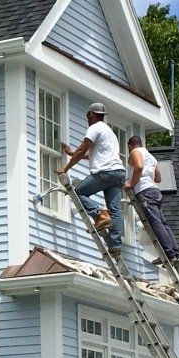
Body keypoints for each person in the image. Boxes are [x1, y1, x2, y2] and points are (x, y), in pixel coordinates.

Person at [59, 101, 126, 253]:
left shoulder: (94, 128)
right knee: (115, 210)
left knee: (77, 193)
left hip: (105, 172)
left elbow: (83, 148)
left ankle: (99, 214)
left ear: (92, 114)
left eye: (87, 116)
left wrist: (66, 168)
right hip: (118, 173)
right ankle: (115, 245)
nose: (86, 119)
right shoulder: (110, 132)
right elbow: (93, 154)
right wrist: (71, 154)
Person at [127, 134, 179, 263]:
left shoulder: (135, 151)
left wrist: (131, 183)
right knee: (163, 223)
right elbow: (158, 178)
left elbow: (139, 166)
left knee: (156, 223)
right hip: (155, 191)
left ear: (130, 145)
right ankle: (176, 253)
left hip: (144, 191)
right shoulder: (151, 157)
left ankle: (168, 254)